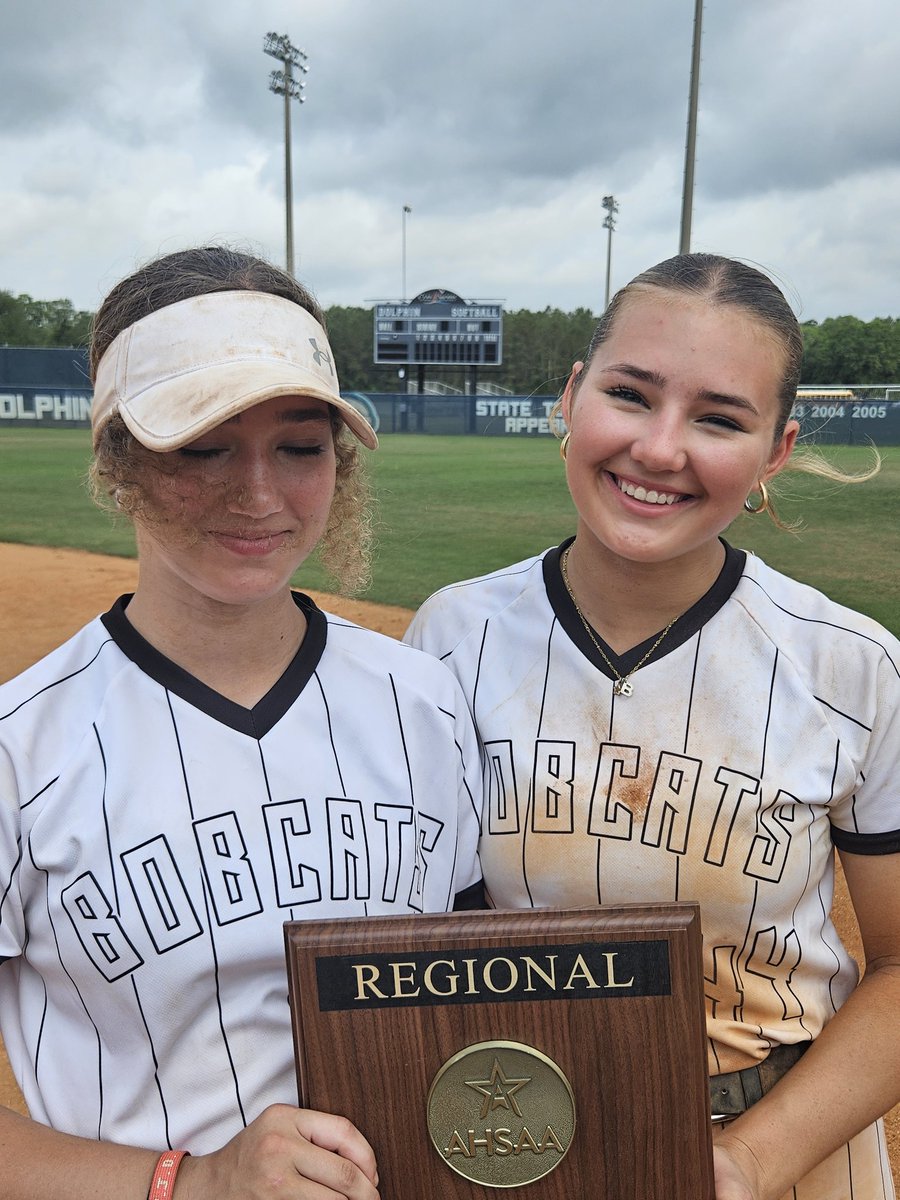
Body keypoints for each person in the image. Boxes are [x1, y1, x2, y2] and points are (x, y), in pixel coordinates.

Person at [405, 252, 900, 1200]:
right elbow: (425, 943)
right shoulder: (451, 637)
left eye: (719, 418)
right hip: (515, 1140)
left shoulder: (851, 665)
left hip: (787, 1147)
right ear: (570, 397)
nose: (661, 448)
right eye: (630, 394)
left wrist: (749, 1161)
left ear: (777, 451)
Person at [0, 246, 483, 1200]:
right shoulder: (22, 750)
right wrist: (198, 1182)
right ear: (117, 458)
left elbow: (473, 1007)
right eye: (203, 446)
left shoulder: (424, 703)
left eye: (300, 447)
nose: (259, 494)